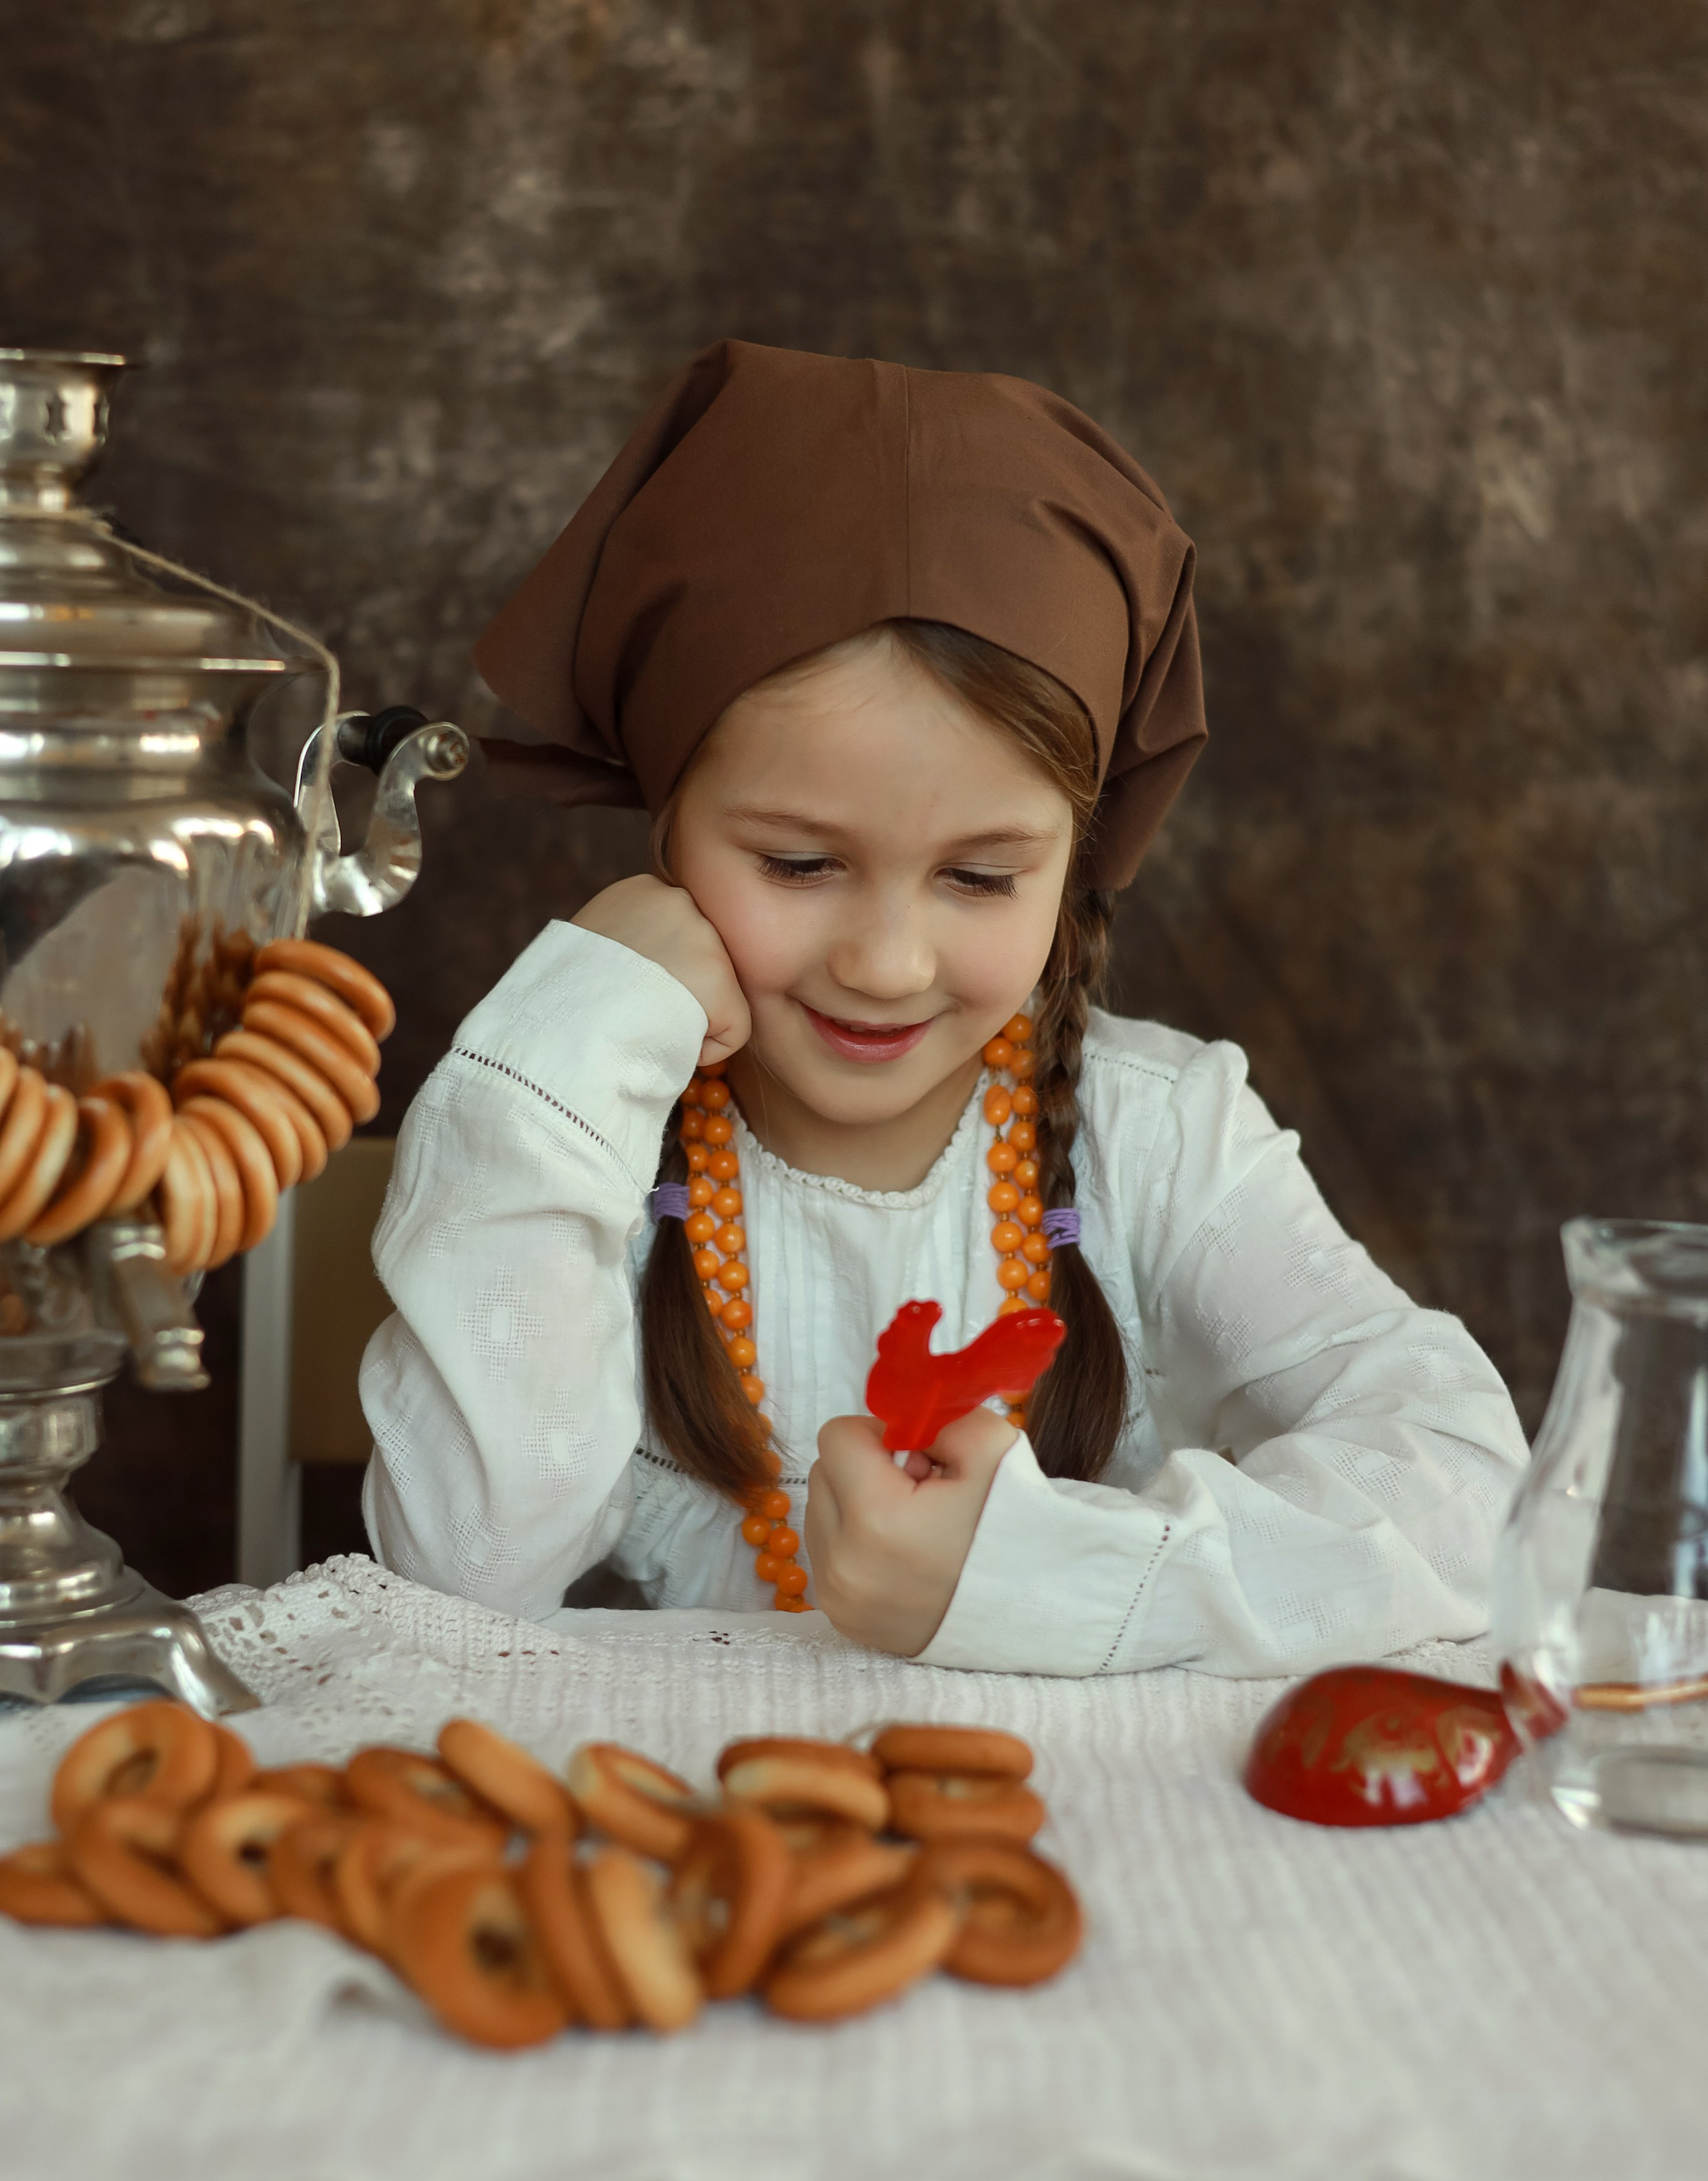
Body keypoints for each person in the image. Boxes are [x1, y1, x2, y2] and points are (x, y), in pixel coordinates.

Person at [359, 340, 1528, 1673]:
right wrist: (568, 1034)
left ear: (1071, 861)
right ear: (666, 824)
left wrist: (1054, 1577)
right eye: (798, 863)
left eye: (979, 876)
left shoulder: (1157, 1137)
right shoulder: (592, 1152)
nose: (887, 961)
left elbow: (1465, 1482)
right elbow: (456, 1588)